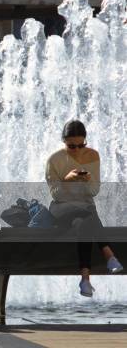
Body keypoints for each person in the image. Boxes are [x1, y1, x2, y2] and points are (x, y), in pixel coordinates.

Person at [46, 119, 123, 297]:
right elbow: (56, 195)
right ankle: (109, 255)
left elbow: (94, 191)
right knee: (88, 214)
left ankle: (85, 280)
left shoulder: (93, 156)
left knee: (84, 223)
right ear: (64, 142)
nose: (78, 150)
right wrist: (67, 179)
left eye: (82, 145)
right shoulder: (54, 160)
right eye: (72, 146)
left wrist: (87, 180)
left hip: (85, 209)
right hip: (62, 208)